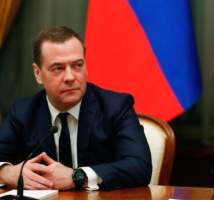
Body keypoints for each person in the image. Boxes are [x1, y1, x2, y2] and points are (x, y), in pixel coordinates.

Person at [0, 26, 152, 191]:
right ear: (37, 73)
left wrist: (78, 176)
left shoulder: (115, 107)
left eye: (77, 65)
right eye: (58, 68)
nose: (70, 77)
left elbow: (139, 166)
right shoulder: (23, 112)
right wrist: (6, 172)